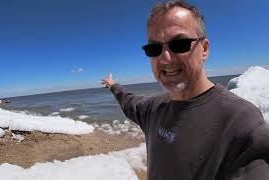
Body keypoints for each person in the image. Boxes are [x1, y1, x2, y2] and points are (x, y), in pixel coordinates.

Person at [101, 1, 269, 180]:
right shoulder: (154, 110)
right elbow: (129, 101)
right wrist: (113, 85)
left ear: (204, 49)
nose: (165, 58)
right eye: (154, 48)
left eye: (179, 44)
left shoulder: (241, 123)